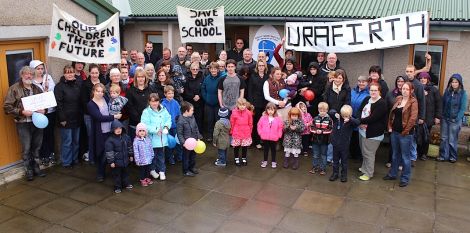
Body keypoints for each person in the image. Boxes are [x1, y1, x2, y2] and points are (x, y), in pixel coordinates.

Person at [3, 66, 47, 180]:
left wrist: (44, 110)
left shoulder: (37, 88)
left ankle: (37, 168)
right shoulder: (14, 89)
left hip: (37, 122)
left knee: (37, 147)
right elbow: (7, 107)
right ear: (21, 75)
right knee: (26, 148)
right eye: (26, 74)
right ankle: (28, 170)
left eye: (31, 74)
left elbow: (44, 104)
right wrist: (22, 112)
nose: (29, 76)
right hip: (23, 122)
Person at [383, 82, 418, 187]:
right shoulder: (398, 99)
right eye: (403, 88)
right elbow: (392, 113)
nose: (405, 91)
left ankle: (405, 178)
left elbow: (412, 119)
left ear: (411, 91)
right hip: (395, 132)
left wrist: (405, 131)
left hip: (405, 134)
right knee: (395, 154)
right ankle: (393, 174)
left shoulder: (413, 101)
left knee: (405, 157)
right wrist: (389, 126)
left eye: (407, 89)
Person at [87, 83, 122, 182]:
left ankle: (113, 170)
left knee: (112, 151)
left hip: (110, 130)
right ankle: (100, 173)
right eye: (98, 91)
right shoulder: (91, 104)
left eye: (102, 91)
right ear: (93, 91)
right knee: (101, 153)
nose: (100, 93)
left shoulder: (105, 99)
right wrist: (114, 117)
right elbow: (99, 118)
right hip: (100, 132)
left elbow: (111, 108)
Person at [357, 83, 387, 181]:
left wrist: (359, 121)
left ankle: (368, 173)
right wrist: (360, 122)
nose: (373, 92)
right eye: (371, 90)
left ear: (379, 91)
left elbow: (373, 118)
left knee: (369, 153)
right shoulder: (366, 99)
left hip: (373, 133)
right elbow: (359, 111)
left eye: (375, 90)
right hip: (363, 130)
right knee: (364, 151)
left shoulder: (382, 103)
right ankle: (364, 167)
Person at [54, 65, 82, 168]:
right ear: (64, 74)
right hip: (66, 119)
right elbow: (58, 103)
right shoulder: (59, 87)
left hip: (77, 117)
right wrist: (62, 118)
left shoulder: (78, 85)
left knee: (76, 141)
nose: (70, 74)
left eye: (71, 72)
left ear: (74, 73)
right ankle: (66, 162)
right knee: (67, 142)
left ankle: (74, 159)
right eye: (67, 72)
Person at [140, 93, 172, 181]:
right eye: (152, 101)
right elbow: (145, 125)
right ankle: (152, 170)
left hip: (162, 139)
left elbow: (168, 119)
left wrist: (166, 127)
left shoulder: (163, 109)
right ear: (149, 102)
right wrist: (156, 130)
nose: (154, 103)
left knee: (161, 155)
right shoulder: (146, 112)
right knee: (152, 156)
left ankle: (162, 171)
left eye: (156, 101)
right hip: (152, 139)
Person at [31, 60, 56, 165]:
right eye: (38, 69)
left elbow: (53, 91)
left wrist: (46, 91)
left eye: (42, 68)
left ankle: (51, 154)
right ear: (33, 70)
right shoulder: (31, 81)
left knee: (50, 133)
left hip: (50, 111)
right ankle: (43, 155)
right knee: (41, 135)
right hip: (39, 113)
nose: (40, 71)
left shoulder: (48, 78)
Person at [437, 74, 467, 163]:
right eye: (452, 82)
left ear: (459, 83)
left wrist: (457, 118)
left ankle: (453, 156)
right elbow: (442, 104)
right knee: (443, 138)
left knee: (452, 139)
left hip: (455, 120)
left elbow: (462, 109)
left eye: (456, 82)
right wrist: (441, 115)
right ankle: (443, 156)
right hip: (445, 119)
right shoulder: (447, 91)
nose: (454, 84)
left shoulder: (463, 93)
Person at [329, 105, 359, 182]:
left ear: (350, 115)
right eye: (343, 115)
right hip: (335, 144)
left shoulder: (351, 122)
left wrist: (350, 119)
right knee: (335, 161)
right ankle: (335, 173)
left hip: (344, 145)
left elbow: (357, 122)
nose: (344, 117)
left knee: (344, 162)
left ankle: (344, 175)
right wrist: (335, 113)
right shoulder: (337, 119)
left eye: (347, 116)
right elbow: (331, 112)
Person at [405, 64, 426, 166]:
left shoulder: (418, 85)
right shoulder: (405, 82)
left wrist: (421, 117)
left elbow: (422, 102)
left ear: (414, 72)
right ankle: (405, 157)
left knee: (412, 139)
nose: (409, 73)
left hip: (414, 116)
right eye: (407, 71)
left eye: (410, 71)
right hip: (405, 115)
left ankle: (412, 158)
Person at [418, 72, 442, 160]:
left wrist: (438, 116)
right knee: (417, 136)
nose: (422, 79)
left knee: (426, 136)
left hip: (429, 117)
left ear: (428, 79)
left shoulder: (434, 90)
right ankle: (417, 152)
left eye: (424, 78)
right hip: (418, 116)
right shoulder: (417, 88)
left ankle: (424, 153)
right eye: (421, 78)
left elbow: (439, 104)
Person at [126, 67, 154, 142]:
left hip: (149, 123)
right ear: (136, 78)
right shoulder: (130, 91)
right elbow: (130, 107)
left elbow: (154, 104)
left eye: (142, 77)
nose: (141, 79)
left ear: (145, 78)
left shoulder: (150, 89)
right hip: (135, 124)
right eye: (138, 77)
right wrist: (140, 120)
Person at [105, 120, 133, 193]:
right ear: (113, 130)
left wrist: (131, 155)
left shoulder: (126, 137)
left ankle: (126, 183)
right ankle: (117, 187)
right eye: (116, 129)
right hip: (116, 162)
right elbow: (109, 152)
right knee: (117, 175)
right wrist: (111, 162)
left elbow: (130, 147)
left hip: (125, 160)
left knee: (126, 173)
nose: (118, 130)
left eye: (120, 128)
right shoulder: (110, 140)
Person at [384, 75, 406, 167]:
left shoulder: (409, 93)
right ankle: (391, 161)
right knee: (393, 143)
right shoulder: (391, 93)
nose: (400, 83)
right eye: (398, 81)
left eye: (402, 81)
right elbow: (385, 107)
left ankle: (400, 163)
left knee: (402, 144)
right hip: (392, 122)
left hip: (404, 122)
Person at [248, 60, 270, 149]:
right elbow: (250, 91)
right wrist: (251, 103)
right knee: (256, 122)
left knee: (264, 123)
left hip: (265, 103)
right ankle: (255, 141)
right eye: (259, 65)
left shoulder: (268, 77)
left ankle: (263, 140)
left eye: (262, 65)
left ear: (265, 67)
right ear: (257, 67)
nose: (261, 67)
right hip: (255, 104)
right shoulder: (253, 76)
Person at [177, 101, 203, 176]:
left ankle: (192, 167)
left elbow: (196, 127)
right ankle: (185, 170)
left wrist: (198, 136)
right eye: (192, 110)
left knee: (193, 155)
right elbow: (179, 133)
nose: (193, 112)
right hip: (187, 143)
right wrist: (183, 143)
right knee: (186, 157)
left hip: (194, 140)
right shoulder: (180, 121)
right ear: (186, 111)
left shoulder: (192, 117)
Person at [202, 62, 224, 141]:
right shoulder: (207, 78)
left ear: (218, 70)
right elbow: (203, 89)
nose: (213, 70)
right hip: (208, 103)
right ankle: (209, 136)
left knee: (218, 120)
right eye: (212, 69)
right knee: (209, 120)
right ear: (210, 70)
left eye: (215, 68)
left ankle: (218, 136)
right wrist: (206, 98)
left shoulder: (222, 78)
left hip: (218, 103)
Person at [258, 103, 284, 168]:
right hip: (265, 137)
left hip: (274, 137)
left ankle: (273, 161)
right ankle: (265, 161)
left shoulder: (278, 118)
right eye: (268, 109)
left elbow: (280, 127)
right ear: (266, 110)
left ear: (275, 110)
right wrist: (261, 133)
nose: (270, 111)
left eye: (272, 110)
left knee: (273, 150)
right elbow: (259, 125)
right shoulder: (263, 117)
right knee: (266, 149)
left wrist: (279, 135)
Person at [310, 102, 333, 175]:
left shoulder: (329, 119)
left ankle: (323, 168)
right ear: (318, 110)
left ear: (327, 110)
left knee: (323, 155)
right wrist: (316, 131)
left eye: (324, 111)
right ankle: (314, 167)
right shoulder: (315, 118)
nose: (322, 112)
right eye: (320, 111)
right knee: (315, 154)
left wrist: (322, 131)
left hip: (324, 141)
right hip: (315, 140)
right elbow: (311, 128)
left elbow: (330, 129)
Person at [350, 75, 370, 160]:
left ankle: (358, 157)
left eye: (363, 81)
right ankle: (351, 154)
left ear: (367, 83)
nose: (361, 83)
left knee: (358, 140)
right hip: (351, 118)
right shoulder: (352, 91)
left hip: (360, 120)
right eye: (359, 81)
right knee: (351, 138)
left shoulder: (368, 94)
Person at [161, 85, 182, 164]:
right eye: (169, 93)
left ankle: (179, 156)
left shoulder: (175, 102)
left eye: (172, 93)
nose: (171, 95)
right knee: (169, 143)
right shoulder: (163, 104)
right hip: (168, 127)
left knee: (177, 141)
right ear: (165, 94)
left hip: (176, 126)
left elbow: (179, 113)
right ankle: (169, 158)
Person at [230, 98, 253, 166]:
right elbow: (232, 123)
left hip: (246, 132)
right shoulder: (234, 113)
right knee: (236, 147)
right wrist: (232, 131)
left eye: (243, 105)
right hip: (237, 132)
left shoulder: (248, 113)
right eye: (240, 105)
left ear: (245, 105)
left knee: (244, 147)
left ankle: (244, 158)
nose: (242, 106)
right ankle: (236, 158)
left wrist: (250, 131)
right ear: (237, 105)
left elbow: (250, 123)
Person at [183, 62, 204, 133]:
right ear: (190, 69)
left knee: (199, 119)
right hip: (189, 102)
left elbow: (204, 88)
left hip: (199, 102)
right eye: (193, 69)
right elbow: (185, 89)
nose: (195, 70)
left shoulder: (202, 77)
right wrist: (193, 96)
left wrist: (199, 95)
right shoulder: (186, 77)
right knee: (189, 118)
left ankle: (198, 134)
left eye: (196, 69)